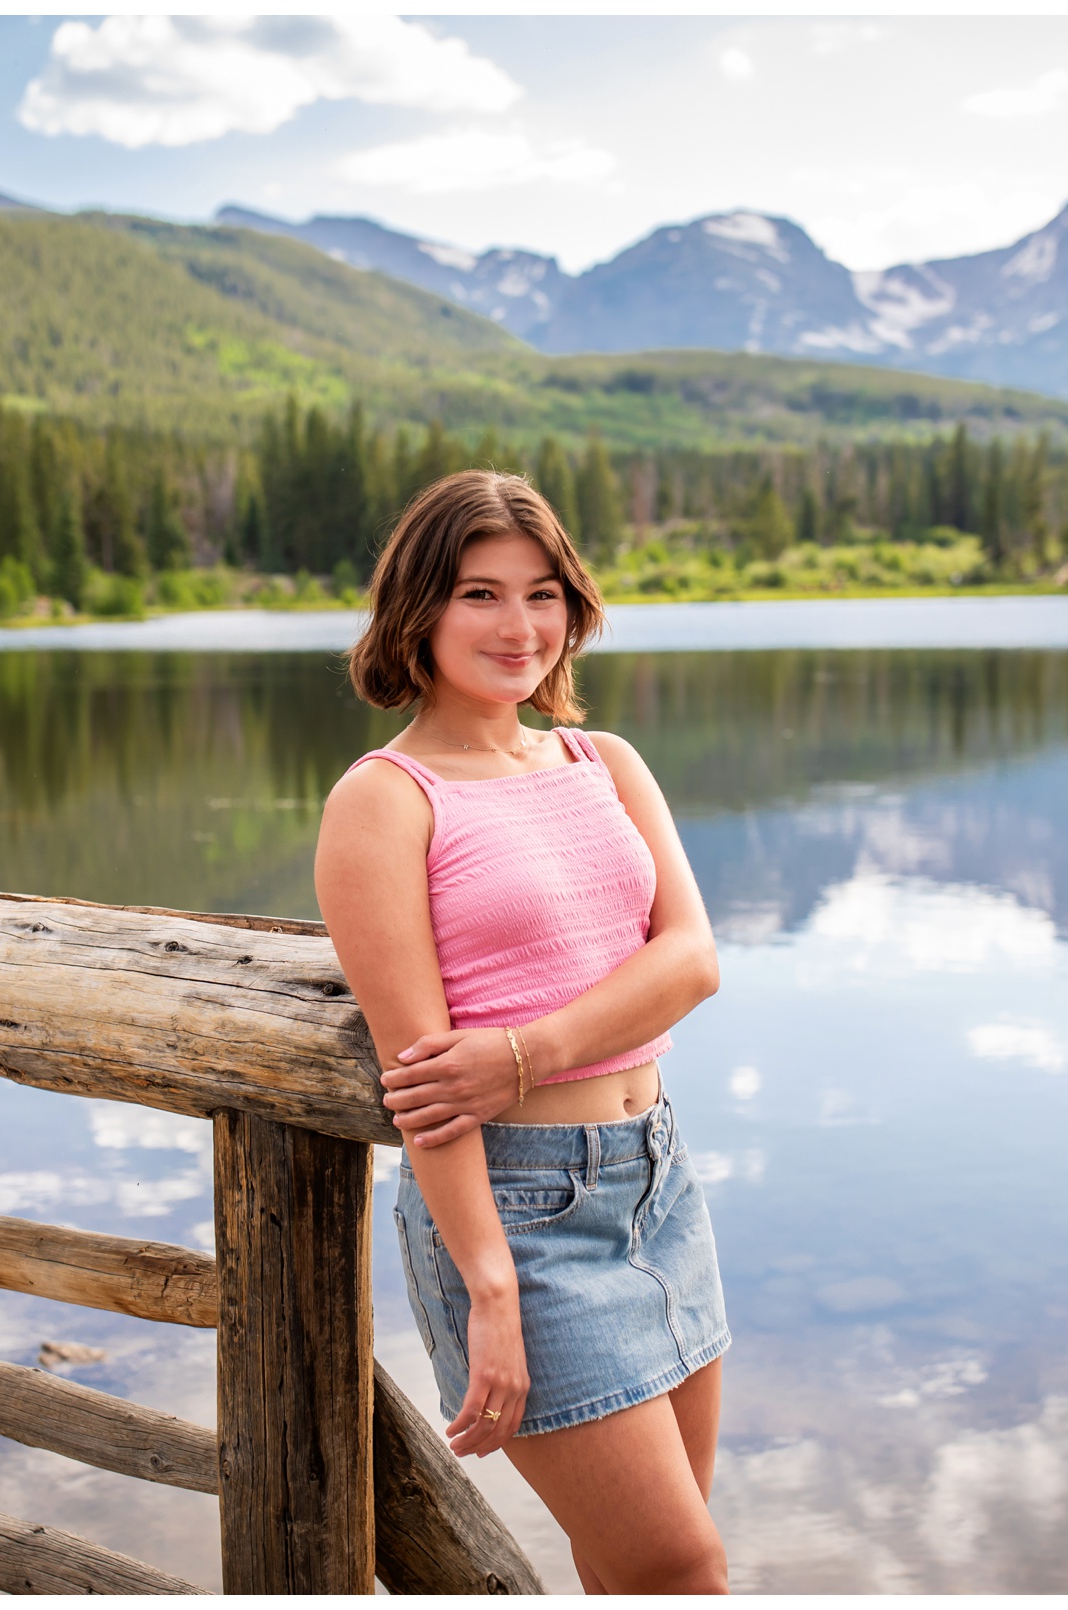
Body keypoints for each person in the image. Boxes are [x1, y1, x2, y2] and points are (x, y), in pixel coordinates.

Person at [314, 470, 730, 1594]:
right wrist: (487, 1284)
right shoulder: (385, 798)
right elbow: (424, 1078)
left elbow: (691, 958)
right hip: (519, 1209)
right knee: (675, 1564)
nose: (520, 626)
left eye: (542, 593)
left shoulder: (606, 762)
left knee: (655, 1560)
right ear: (420, 611)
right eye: (480, 594)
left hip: (656, 1179)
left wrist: (523, 1050)